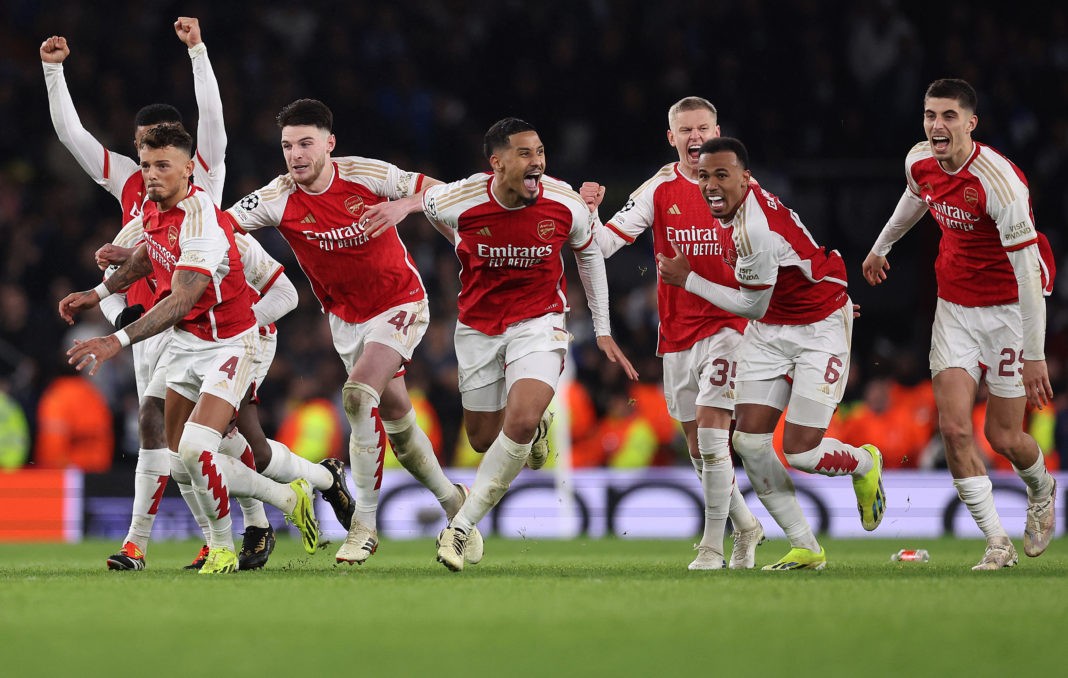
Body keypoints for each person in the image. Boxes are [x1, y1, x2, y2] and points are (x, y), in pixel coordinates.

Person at [227, 98, 479, 566]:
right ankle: (453, 501)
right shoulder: (277, 197)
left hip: (400, 302)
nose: (296, 155)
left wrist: (404, 207)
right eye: (287, 146)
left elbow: (441, 192)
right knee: (399, 424)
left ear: (329, 144)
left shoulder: (366, 174)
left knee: (359, 395)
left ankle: (364, 525)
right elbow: (216, 227)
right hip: (346, 320)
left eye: (306, 143)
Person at [59, 124, 319, 575]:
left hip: (231, 343)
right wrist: (98, 294)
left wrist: (112, 340)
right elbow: (148, 255)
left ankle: (222, 545)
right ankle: (284, 497)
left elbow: (181, 297)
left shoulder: (201, 217)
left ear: (187, 169)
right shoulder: (155, 211)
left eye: (163, 166)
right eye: (145, 166)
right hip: (188, 344)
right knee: (182, 462)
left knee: (201, 448)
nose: (151, 175)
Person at [657, 136, 886, 570]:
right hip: (772, 328)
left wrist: (687, 280)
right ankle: (806, 547)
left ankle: (863, 463)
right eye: (704, 176)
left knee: (800, 451)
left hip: (818, 329)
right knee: (748, 440)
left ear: (746, 178)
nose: (710, 185)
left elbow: (751, 304)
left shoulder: (752, 227)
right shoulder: (733, 208)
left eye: (722, 175)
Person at [422, 117, 638, 571]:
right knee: (482, 439)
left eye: (540, 152)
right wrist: (463, 243)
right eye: (525, 154)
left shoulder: (565, 203)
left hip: (539, 322)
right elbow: (429, 206)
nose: (537, 161)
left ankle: (460, 528)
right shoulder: (456, 200)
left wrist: (602, 329)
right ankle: (534, 428)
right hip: (479, 327)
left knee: (517, 422)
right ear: (496, 163)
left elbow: (589, 253)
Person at [862, 78, 1057, 570]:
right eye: (930, 115)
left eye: (949, 116)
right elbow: (916, 196)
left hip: (1012, 307)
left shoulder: (999, 182)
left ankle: (1041, 487)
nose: (936, 125)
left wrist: (1034, 353)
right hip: (955, 306)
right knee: (952, 427)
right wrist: (881, 246)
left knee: (1004, 437)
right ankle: (996, 542)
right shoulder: (919, 160)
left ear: (971, 123)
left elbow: (1028, 277)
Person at [579, 97, 764, 570]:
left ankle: (711, 547)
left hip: (732, 325)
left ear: (717, 129)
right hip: (678, 333)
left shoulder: (744, 186)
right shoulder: (659, 188)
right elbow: (603, 244)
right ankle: (747, 525)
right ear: (672, 137)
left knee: (711, 437)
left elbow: (779, 249)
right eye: (686, 130)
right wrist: (589, 213)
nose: (695, 136)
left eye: (703, 127)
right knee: (700, 451)